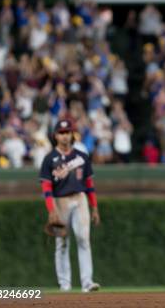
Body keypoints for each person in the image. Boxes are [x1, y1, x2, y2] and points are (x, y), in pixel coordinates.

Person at [39, 119, 101, 292]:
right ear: (55, 135)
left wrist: (94, 206)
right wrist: (51, 210)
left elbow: (89, 184)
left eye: (67, 132)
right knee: (62, 242)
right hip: (61, 201)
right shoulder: (49, 159)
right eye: (61, 132)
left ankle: (87, 282)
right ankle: (65, 284)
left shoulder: (81, 157)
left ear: (71, 134)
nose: (64, 136)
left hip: (80, 199)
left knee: (83, 239)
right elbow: (46, 187)